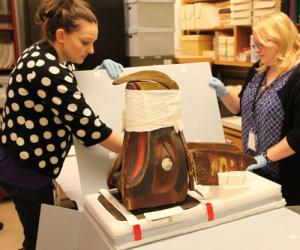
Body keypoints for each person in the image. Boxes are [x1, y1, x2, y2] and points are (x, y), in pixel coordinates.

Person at [0, 0, 124, 249]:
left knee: (46, 234)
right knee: (40, 240)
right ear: (61, 35)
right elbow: (91, 129)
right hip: (25, 169)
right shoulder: (47, 70)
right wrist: (140, 150)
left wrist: (94, 77)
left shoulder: (45, 52)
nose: (91, 51)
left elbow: (66, 91)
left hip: (30, 161)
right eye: (85, 42)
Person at [210, 12, 300, 205]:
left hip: (287, 181)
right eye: (254, 45)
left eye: (261, 45)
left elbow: (298, 135)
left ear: (280, 42)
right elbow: (239, 108)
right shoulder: (259, 69)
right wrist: (223, 92)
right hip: (257, 174)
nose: (256, 50)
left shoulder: (297, 76)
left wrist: (265, 157)